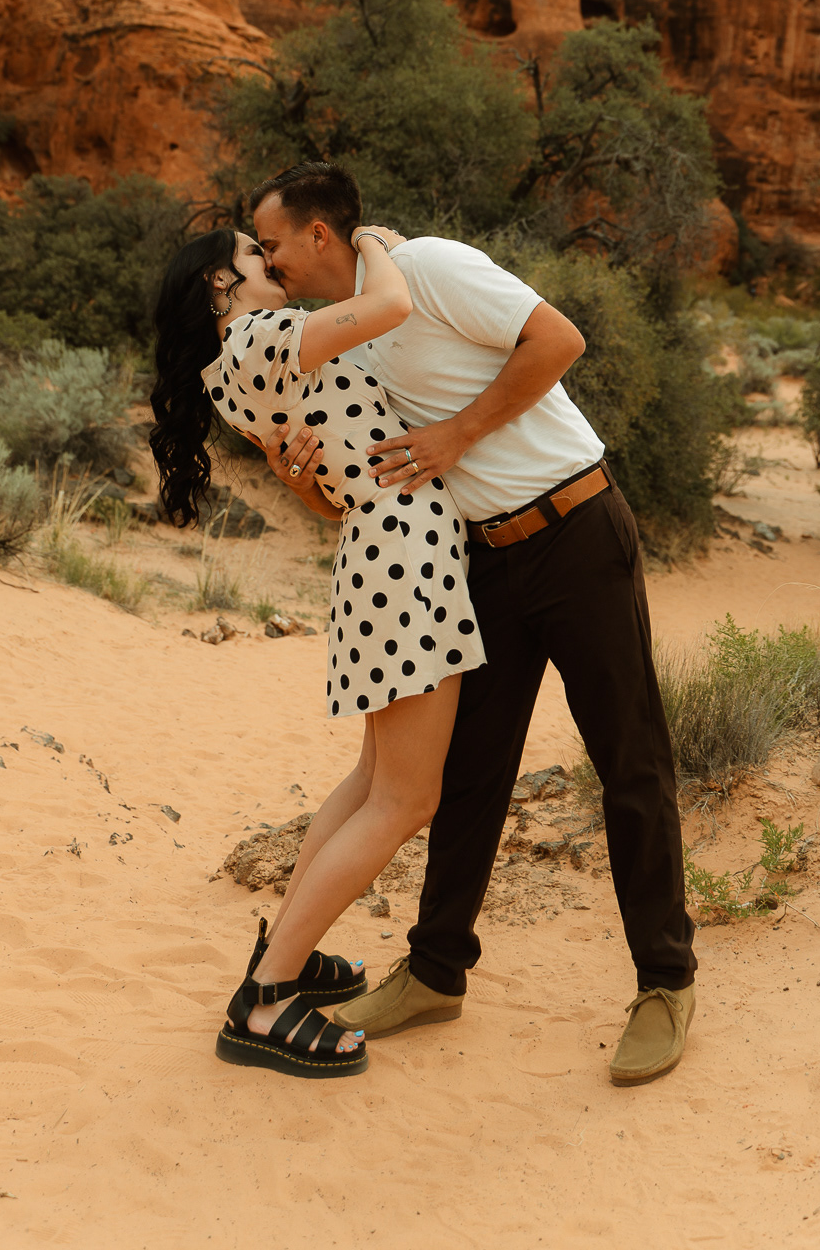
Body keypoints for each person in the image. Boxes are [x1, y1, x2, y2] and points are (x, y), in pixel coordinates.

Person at [251, 161, 697, 1087]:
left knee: (629, 758)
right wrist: (299, 475)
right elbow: (357, 496)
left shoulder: (436, 269)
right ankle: (436, 972)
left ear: (321, 235)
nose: (268, 261)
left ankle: (664, 982)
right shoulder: (343, 340)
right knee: (466, 774)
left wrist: (457, 434)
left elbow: (559, 339)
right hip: (477, 559)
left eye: (272, 243)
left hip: (575, 528)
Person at [149, 219, 486, 1080]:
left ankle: (286, 956)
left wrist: (302, 474)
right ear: (221, 291)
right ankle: (265, 998)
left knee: (376, 783)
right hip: (403, 556)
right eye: (253, 258)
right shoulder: (264, 336)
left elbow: (325, 480)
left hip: (379, 552)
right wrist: (375, 239)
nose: (271, 263)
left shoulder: (227, 370)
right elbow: (388, 303)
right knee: (406, 800)